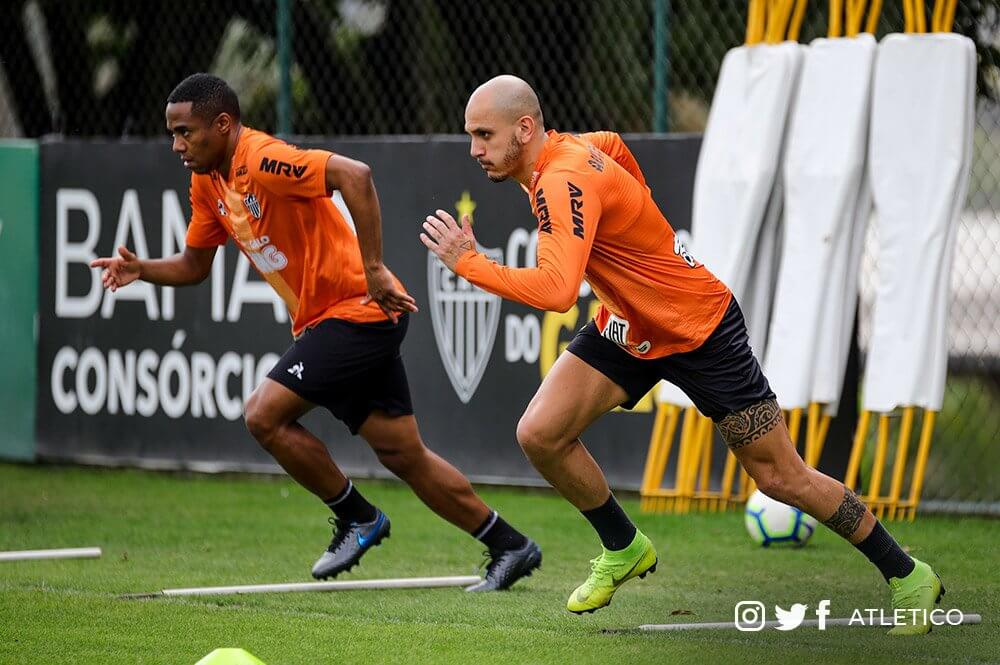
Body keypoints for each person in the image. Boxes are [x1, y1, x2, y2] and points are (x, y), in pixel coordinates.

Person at [421, 74, 942, 632]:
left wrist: (468, 263)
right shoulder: (566, 152)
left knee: (780, 478)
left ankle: (909, 575)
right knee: (540, 433)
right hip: (629, 326)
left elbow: (554, 291)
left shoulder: (561, 178)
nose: (474, 149)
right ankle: (623, 547)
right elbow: (616, 145)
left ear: (524, 129)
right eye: (471, 136)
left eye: (483, 134)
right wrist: (643, 227)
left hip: (700, 329)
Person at [92, 73, 540, 591]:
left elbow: (356, 175)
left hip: (359, 310)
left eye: (186, 132)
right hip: (337, 321)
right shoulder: (207, 182)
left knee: (263, 414)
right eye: (172, 133)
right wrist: (141, 269)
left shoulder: (261, 160)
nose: (177, 145)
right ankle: (510, 545)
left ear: (222, 124)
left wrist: (373, 268)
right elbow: (195, 265)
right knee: (402, 454)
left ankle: (358, 517)